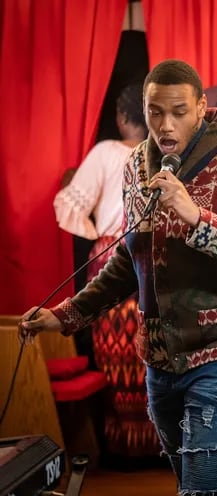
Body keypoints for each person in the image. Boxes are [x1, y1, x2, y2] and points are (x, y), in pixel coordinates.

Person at [20, 59, 217, 496]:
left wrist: (197, 218)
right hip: (165, 361)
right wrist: (66, 315)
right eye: (154, 112)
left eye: (179, 111)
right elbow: (132, 259)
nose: (165, 124)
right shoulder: (136, 167)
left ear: (201, 107)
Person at [53, 83, 160, 459]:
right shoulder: (163, 153)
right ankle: (160, 445)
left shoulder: (105, 153)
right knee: (154, 346)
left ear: (120, 116)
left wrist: (97, 235)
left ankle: (124, 447)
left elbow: (67, 205)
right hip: (155, 259)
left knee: (116, 350)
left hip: (110, 258)